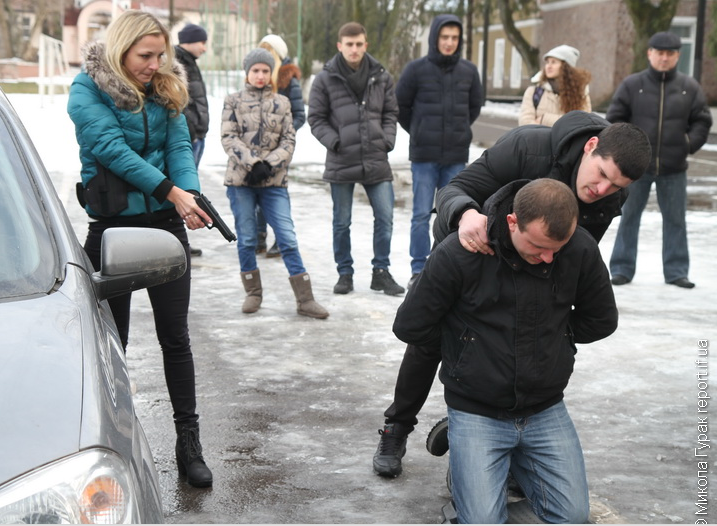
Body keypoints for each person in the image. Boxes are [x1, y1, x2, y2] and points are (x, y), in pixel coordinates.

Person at [373, 110, 651, 477]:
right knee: (429, 343)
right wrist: (465, 214)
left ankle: (482, 429)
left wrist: (557, 333)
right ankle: (397, 427)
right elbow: (453, 190)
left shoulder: (611, 197)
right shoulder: (527, 148)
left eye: (615, 186)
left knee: (521, 346)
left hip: (535, 267)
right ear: (591, 146)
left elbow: (576, 255)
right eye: (601, 175)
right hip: (473, 253)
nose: (602, 190)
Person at [393, 178, 618, 523]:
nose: (548, 257)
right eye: (539, 246)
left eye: (557, 249)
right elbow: (410, 325)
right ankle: (469, 480)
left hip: (544, 407)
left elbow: (601, 320)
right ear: (513, 222)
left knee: (572, 518)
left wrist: (556, 338)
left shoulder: (579, 248)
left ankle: (478, 492)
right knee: (483, 520)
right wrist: (470, 346)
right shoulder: (459, 252)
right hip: (476, 409)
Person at [68, 10, 213, 487]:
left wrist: (190, 197)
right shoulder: (87, 88)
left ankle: (189, 443)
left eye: (160, 55)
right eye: (145, 56)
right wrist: (172, 191)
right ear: (121, 49)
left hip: (165, 226)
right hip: (112, 230)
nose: (154, 65)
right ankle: (115, 443)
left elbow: (179, 147)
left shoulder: (165, 84)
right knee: (113, 346)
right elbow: (112, 150)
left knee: (176, 338)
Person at [221, 48, 329, 319]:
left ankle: (305, 299)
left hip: (274, 182)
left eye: (265, 71)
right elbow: (229, 137)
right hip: (241, 182)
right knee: (247, 238)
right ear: (247, 72)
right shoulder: (233, 101)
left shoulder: (282, 102)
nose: (260, 75)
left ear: (272, 73)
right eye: (255, 70)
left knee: (287, 237)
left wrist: (269, 165)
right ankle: (253, 293)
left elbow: (289, 140)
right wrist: (253, 164)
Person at [607, 31, 712, 289]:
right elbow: (615, 118)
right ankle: (621, 269)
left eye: (670, 54)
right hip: (635, 168)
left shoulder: (689, 87)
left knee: (676, 220)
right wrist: (626, 150)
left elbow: (702, 120)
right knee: (628, 217)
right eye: (660, 53)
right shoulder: (632, 84)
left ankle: (676, 272)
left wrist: (688, 144)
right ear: (649, 53)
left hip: (674, 168)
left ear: (677, 56)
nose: (664, 58)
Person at [308, 22, 404, 296]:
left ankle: (381, 272)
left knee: (385, 217)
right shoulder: (325, 78)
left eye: (359, 44)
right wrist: (336, 142)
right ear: (340, 45)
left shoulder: (381, 76)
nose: (354, 49)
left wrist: (387, 140)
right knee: (342, 222)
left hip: (376, 158)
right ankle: (345, 273)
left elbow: (390, 113)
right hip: (341, 160)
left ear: (365, 45)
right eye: (349, 44)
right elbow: (316, 118)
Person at [395, 14, 483, 289]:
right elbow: (401, 107)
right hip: (424, 156)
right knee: (421, 214)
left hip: (455, 156)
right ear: (435, 38)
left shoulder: (469, 71)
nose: (449, 42)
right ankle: (418, 269)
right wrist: (419, 130)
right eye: (444, 37)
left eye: (454, 38)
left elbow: (474, 107)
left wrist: (458, 130)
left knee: (453, 215)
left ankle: (446, 269)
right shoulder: (415, 70)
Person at [256, 33, 306, 258]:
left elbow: (300, 115)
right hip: (257, 146)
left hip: (280, 148)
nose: (264, 55)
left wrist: (283, 135)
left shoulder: (287, 79)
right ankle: (259, 237)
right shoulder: (259, 76)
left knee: (276, 192)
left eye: (269, 50)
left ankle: (281, 239)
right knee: (256, 189)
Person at [175, 22, 210, 258]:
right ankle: (178, 242)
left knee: (189, 190)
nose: (204, 48)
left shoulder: (190, 62)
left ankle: (181, 241)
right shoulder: (178, 62)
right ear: (190, 40)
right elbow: (179, 101)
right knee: (183, 191)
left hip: (197, 135)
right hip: (189, 136)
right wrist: (192, 130)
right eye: (202, 42)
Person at [518, 44, 592, 127]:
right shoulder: (534, 92)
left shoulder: (580, 93)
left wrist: (544, 119)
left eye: (553, 62)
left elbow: (582, 123)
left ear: (566, 66)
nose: (548, 66)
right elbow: (525, 123)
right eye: (547, 62)